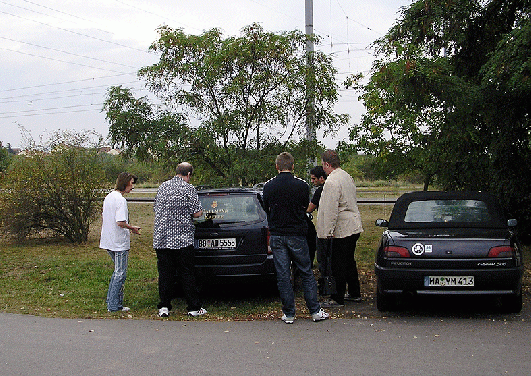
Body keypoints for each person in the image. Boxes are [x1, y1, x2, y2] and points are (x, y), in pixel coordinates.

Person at [262, 152, 329, 324]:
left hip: (277, 234)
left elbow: (267, 207)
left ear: (277, 166)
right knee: (306, 272)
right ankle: (314, 310)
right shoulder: (302, 185)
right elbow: (304, 207)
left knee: (283, 274)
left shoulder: (268, 186)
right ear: (292, 166)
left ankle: (289, 313)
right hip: (297, 234)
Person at [153, 162, 206, 318]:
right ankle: (193, 307)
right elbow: (197, 213)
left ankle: (164, 306)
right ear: (188, 174)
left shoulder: (163, 186)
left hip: (162, 238)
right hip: (182, 239)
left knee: (165, 273)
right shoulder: (188, 188)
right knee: (187, 273)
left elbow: (156, 207)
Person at [317, 149, 363, 307]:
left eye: (323, 165)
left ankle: (337, 298)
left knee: (338, 265)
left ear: (327, 164)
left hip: (342, 229)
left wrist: (327, 232)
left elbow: (331, 210)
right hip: (354, 226)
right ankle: (354, 292)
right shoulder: (346, 176)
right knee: (349, 261)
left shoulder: (331, 181)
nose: (322, 168)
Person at [100, 172, 141, 313]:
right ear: (125, 183)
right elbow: (120, 222)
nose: (132, 186)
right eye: (131, 183)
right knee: (120, 273)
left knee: (118, 272)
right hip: (118, 242)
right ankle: (113, 304)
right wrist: (132, 228)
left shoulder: (109, 197)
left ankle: (115, 303)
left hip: (108, 240)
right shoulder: (120, 200)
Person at [306, 166, 329, 291]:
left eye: (314, 179)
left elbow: (310, 208)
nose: (312, 181)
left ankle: (325, 284)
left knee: (323, 258)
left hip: (324, 230)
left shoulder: (321, 191)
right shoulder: (330, 188)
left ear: (321, 178)